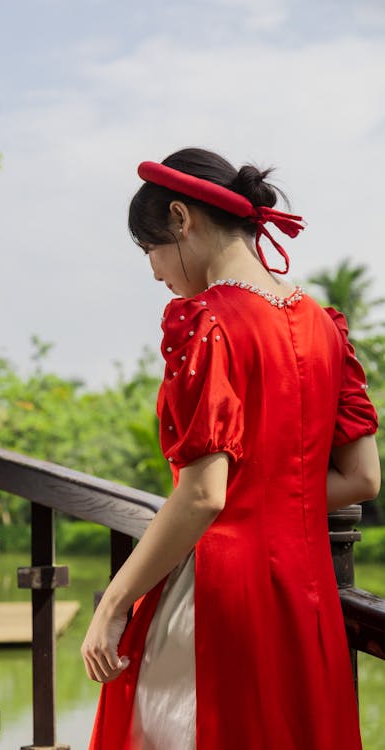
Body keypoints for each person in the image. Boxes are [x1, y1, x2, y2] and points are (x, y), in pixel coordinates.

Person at [81, 147, 380, 750]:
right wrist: (271, 503)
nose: (155, 271)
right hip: (306, 598)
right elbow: (363, 478)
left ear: (181, 219)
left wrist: (115, 600)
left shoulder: (207, 322)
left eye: (151, 250)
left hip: (219, 598)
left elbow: (202, 495)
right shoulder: (325, 326)